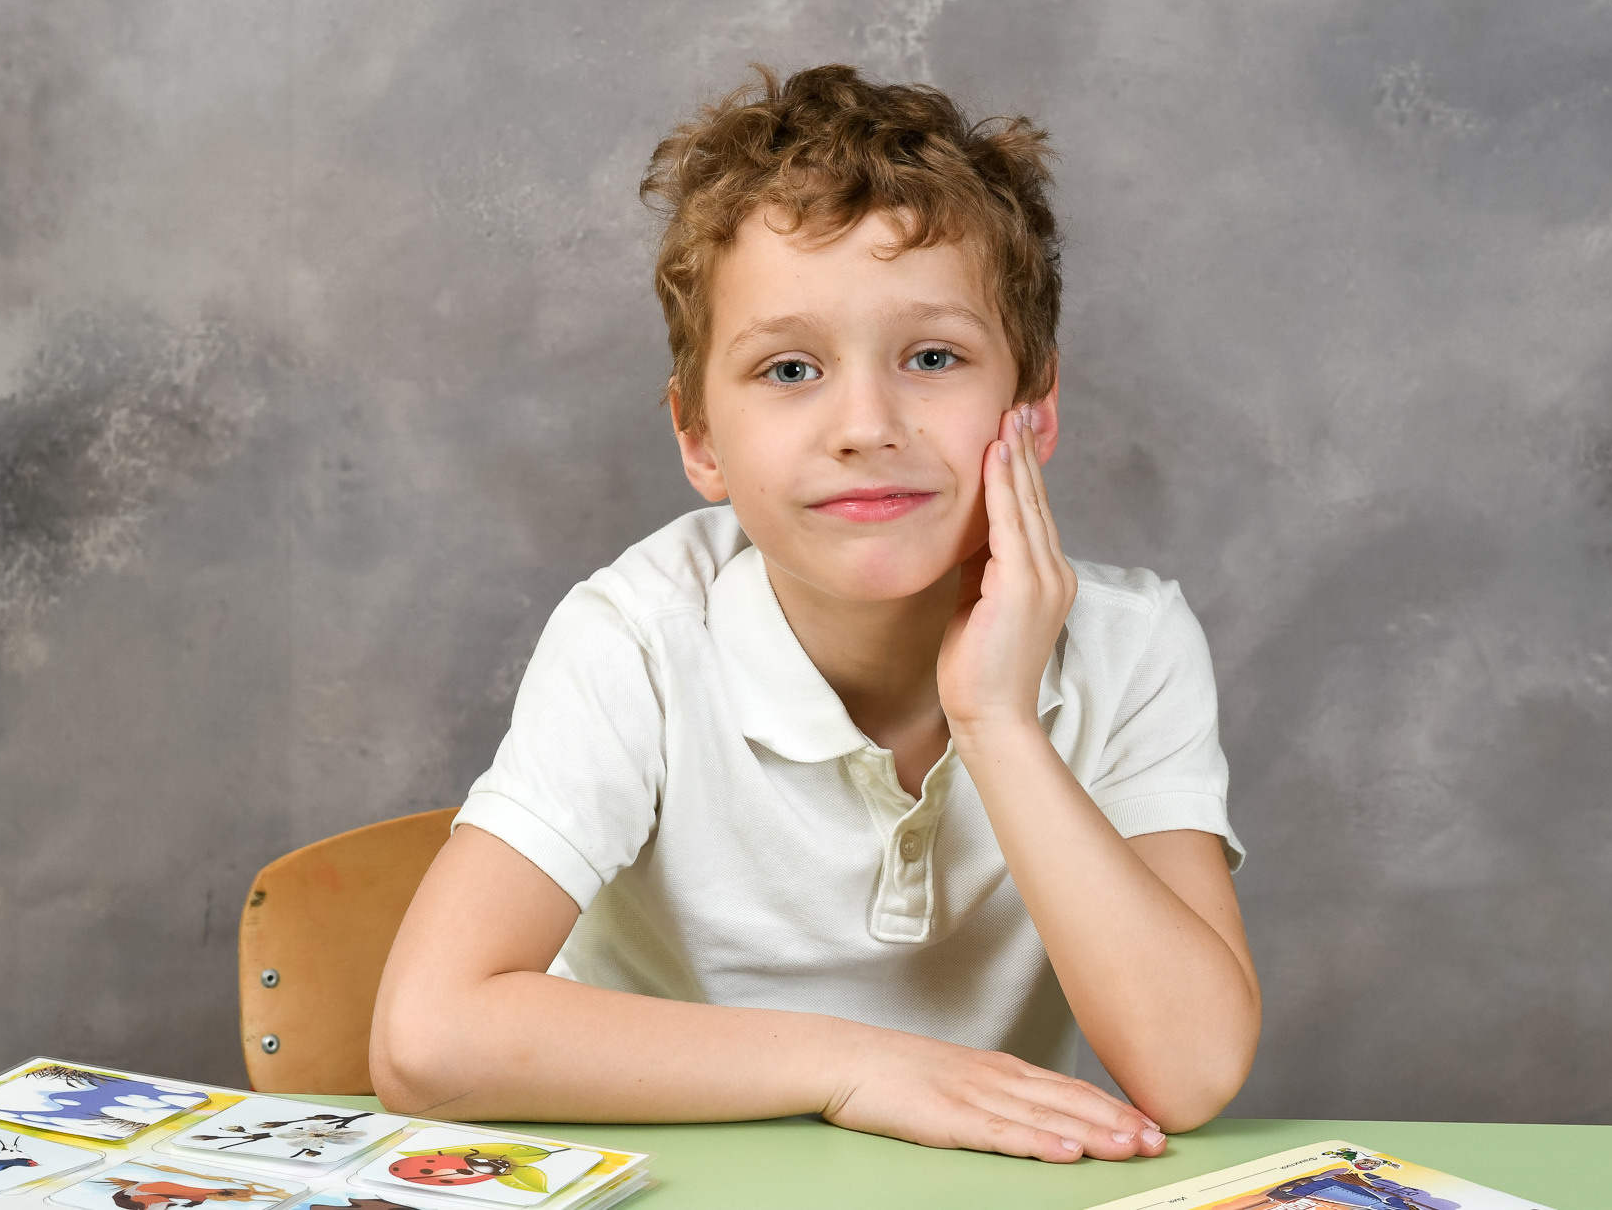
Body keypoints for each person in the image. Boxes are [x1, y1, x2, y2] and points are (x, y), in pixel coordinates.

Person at [371, 64, 1260, 1163]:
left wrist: (998, 722)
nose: (865, 424)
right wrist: (860, 1064)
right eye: (790, 369)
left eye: (931, 358)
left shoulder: (1131, 646)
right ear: (700, 439)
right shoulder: (640, 639)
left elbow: (1191, 1069)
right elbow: (426, 1040)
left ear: (1031, 412)